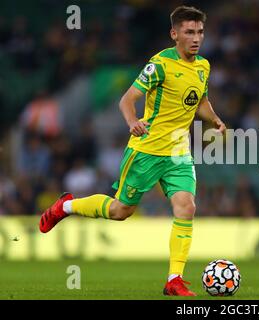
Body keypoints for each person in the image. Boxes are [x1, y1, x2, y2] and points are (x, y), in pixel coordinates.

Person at [38, 6, 226, 297]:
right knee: (120, 211)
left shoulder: (203, 65)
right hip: (146, 150)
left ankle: (174, 279)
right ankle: (66, 206)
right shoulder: (160, 64)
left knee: (186, 207)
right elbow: (127, 99)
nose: (196, 38)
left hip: (178, 154)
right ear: (174, 34)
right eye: (189, 32)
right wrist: (132, 122)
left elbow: (199, 100)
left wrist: (213, 118)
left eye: (200, 32)